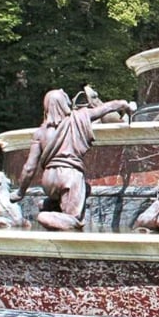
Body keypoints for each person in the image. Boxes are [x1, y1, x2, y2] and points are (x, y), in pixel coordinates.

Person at [17, 88, 134, 231]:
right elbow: (105, 108)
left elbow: (29, 168)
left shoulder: (40, 133)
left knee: (85, 190)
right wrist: (123, 104)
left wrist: (20, 192)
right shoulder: (78, 118)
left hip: (48, 181)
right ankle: (47, 217)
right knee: (74, 220)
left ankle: (49, 206)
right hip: (69, 178)